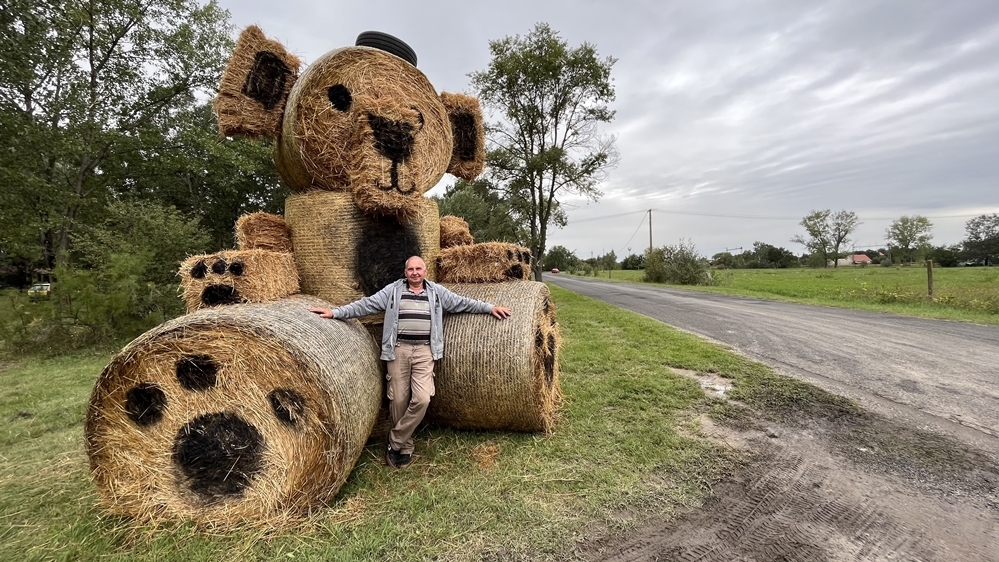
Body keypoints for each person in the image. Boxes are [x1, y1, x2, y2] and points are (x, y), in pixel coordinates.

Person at [309, 256, 511, 468]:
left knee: (422, 398)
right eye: (410, 269)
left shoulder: (436, 292)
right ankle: (404, 447)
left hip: (425, 352)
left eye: (418, 269)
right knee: (398, 399)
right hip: (398, 351)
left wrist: (489, 307)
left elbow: (463, 302)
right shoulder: (393, 291)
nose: (415, 272)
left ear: (425, 271)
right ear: (405, 272)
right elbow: (366, 305)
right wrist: (336, 312)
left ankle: (395, 441)